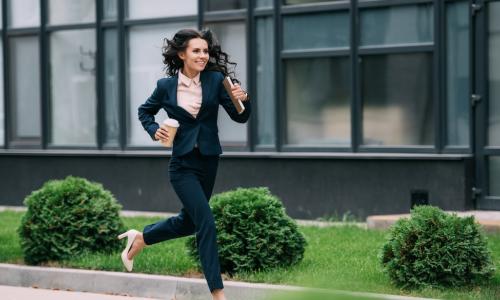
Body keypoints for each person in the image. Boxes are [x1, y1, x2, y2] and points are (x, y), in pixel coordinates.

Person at [117, 28, 251, 300]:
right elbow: (145, 111)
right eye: (196, 51)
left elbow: (241, 117)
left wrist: (243, 100)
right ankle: (218, 294)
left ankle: (141, 238)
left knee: (189, 223)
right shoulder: (165, 86)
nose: (203, 55)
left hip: (209, 161)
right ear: (182, 54)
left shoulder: (215, 80)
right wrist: (154, 130)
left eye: (205, 51)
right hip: (182, 166)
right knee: (206, 223)